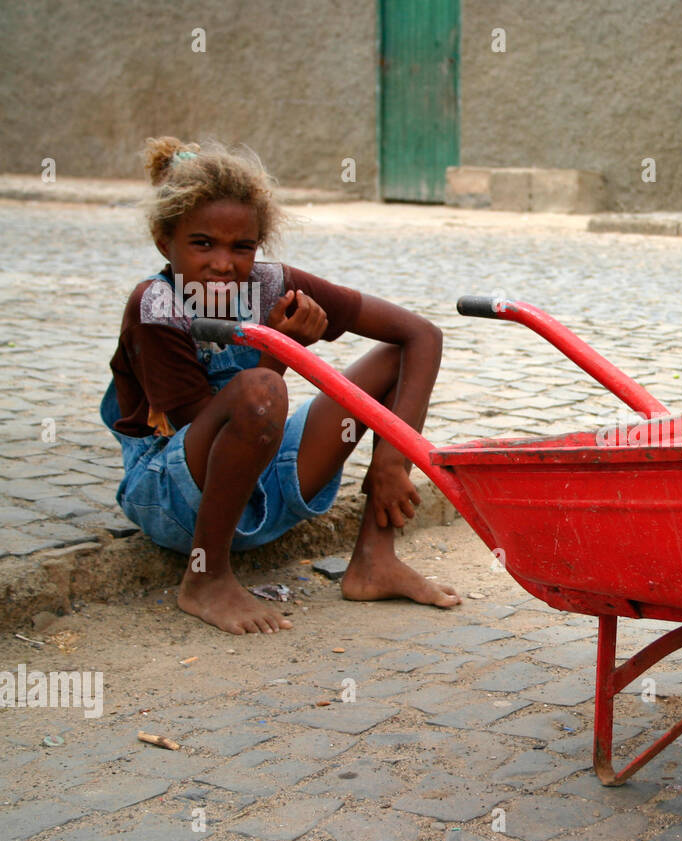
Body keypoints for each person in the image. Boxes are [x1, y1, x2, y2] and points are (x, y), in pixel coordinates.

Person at [101, 136, 459, 635]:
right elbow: (200, 431)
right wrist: (282, 349)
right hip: (175, 495)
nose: (223, 263)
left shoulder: (270, 284)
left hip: (261, 482)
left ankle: (374, 560)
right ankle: (205, 577)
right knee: (261, 390)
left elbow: (422, 335)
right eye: (202, 244)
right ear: (166, 242)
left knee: (394, 357)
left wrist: (391, 462)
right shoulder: (156, 308)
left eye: (241, 247)